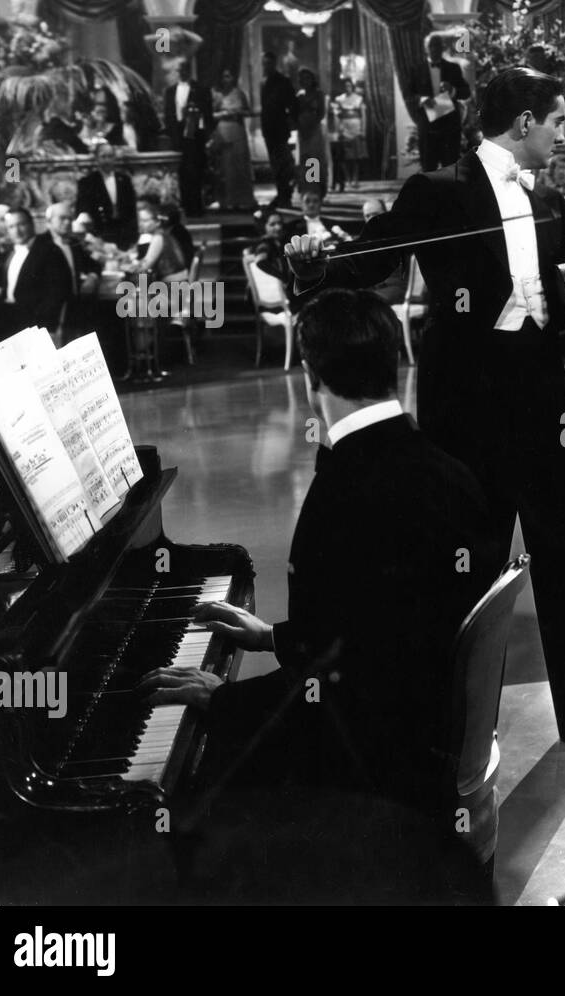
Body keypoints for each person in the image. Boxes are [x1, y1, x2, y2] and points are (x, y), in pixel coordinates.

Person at [284, 67, 565, 756]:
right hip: (467, 416)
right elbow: (372, 258)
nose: (561, 135)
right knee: (461, 574)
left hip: (543, 406)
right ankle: (448, 729)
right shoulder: (439, 192)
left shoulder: (549, 202)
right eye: (556, 121)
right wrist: (313, 264)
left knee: (562, 563)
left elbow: (557, 287)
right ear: (524, 125)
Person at [139, 288, 501, 899]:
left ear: (311, 378)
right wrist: (276, 638)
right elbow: (381, 629)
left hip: (370, 756)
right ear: (391, 361)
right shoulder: (451, 472)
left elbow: (342, 687)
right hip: (426, 726)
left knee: (186, 787)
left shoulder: (344, 494)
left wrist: (223, 702)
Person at [0, 208, 71, 343]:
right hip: (6, 319)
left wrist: (47, 327)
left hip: (32, 322)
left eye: (21, 225)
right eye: (11, 226)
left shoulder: (50, 251)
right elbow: (0, 274)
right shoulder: (12, 251)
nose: (17, 231)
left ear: (31, 224)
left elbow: (58, 293)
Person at [36, 200, 101, 343]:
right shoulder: (38, 244)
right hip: (48, 317)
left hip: (73, 312)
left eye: (69, 219)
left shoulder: (73, 243)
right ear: (49, 221)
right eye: (62, 218)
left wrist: (92, 277)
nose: (67, 222)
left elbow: (93, 265)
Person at [412, 32, 470, 172]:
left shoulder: (453, 68)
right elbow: (410, 93)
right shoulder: (417, 70)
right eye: (432, 46)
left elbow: (466, 92)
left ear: (442, 48)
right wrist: (423, 99)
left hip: (449, 126)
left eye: (438, 46)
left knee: (451, 169)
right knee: (428, 168)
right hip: (427, 126)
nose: (435, 49)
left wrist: (453, 90)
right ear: (427, 48)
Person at [163, 59, 213, 217]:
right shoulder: (170, 91)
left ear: (189, 70)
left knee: (196, 171)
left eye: (185, 69)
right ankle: (185, 206)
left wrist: (205, 135)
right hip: (178, 137)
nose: (182, 72)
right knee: (182, 172)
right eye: (180, 70)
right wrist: (172, 135)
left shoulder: (201, 89)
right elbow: (168, 115)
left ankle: (197, 207)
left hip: (195, 136)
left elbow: (208, 115)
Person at [75, 143, 138, 248]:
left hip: (123, 233)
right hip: (100, 233)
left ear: (114, 158)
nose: (107, 161)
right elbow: (82, 210)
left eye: (110, 156)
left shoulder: (124, 180)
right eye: (103, 157)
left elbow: (132, 209)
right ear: (97, 159)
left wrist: (132, 234)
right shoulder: (87, 182)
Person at [211, 69, 257, 211]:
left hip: (238, 130)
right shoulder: (218, 95)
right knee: (226, 167)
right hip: (224, 130)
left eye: (229, 76)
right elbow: (211, 114)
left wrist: (239, 113)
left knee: (240, 166)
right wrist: (223, 114)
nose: (227, 79)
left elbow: (248, 111)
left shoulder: (239, 94)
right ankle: (226, 200)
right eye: (224, 77)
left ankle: (243, 199)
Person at [260, 51, 298, 210]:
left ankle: (288, 195)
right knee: (277, 166)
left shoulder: (283, 81)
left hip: (282, 130)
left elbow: (293, 105)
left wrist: (290, 124)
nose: (266, 66)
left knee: (286, 166)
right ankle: (282, 195)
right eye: (264, 64)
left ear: (274, 64)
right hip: (269, 130)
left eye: (269, 63)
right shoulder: (264, 82)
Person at [295, 68, 329, 200]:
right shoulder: (299, 96)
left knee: (313, 159)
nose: (304, 81)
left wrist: (311, 124)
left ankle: (315, 187)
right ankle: (306, 187)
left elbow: (321, 113)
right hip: (302, 131)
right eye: (301, 79)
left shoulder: (319, 94)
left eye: (306, 78)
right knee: (304, 158)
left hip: (314, 130)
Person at [332, 78, 369, 190]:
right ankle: (347, 178)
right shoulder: (339, 99)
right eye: (345, 86)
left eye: (349, 85)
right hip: (344, 128)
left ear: (352, 87)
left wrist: (363, 130)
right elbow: (337, 116)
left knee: (356, 157)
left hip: (356, 127)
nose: (347, 88)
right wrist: (338, 130)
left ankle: (355, 178)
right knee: (344, 157)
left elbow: (363, 116)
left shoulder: (359, 99)